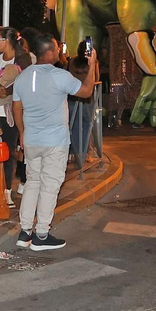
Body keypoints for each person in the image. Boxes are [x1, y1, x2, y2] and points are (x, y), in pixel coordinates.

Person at [12, 30, 98, 252]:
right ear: (48, 53)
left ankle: (25, 232)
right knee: (50, 186)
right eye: (56, 48)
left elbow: (16, 107)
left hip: (31, 139)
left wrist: (22, 132)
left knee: (32, 183)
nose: (59, 51)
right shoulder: (59, 76)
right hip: (54, 142)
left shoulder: (22, 76)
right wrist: (93, 63)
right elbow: (87, 91)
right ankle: (41, 234)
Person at [0, 27, 31, 207]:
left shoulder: (22, 59)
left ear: (7, 41)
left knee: (8, 151)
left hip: (10, 112)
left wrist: (3, 91)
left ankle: (6, 191)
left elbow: (22, 83)